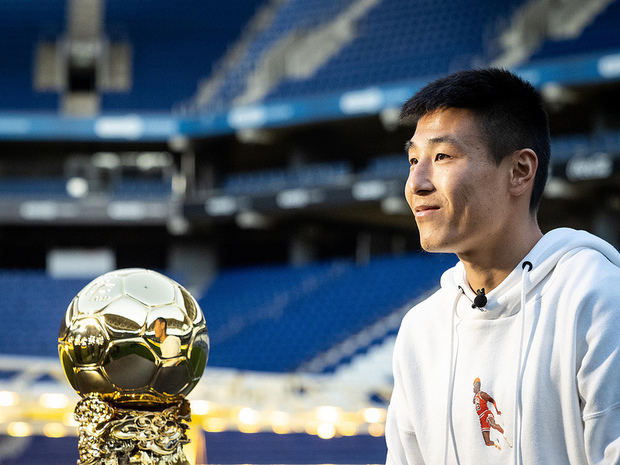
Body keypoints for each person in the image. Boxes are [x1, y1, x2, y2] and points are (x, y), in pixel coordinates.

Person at [385, 68, 620, 465]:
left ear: (520, 171)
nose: (416, 183)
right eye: (412, 159)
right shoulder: (420, 331)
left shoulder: (598, 298)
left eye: (442, 156)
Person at [472, 377, 509, 450]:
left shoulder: (482, 394)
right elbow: (475, 402)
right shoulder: (475, 396)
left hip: (486, 413)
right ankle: (496, 443)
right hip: (481, 419)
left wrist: (497, 410)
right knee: (487, 442)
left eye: (474, 386)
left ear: (477, 386)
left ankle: (505, 433)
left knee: (493, 425)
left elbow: (492, 401)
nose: (473, 388)